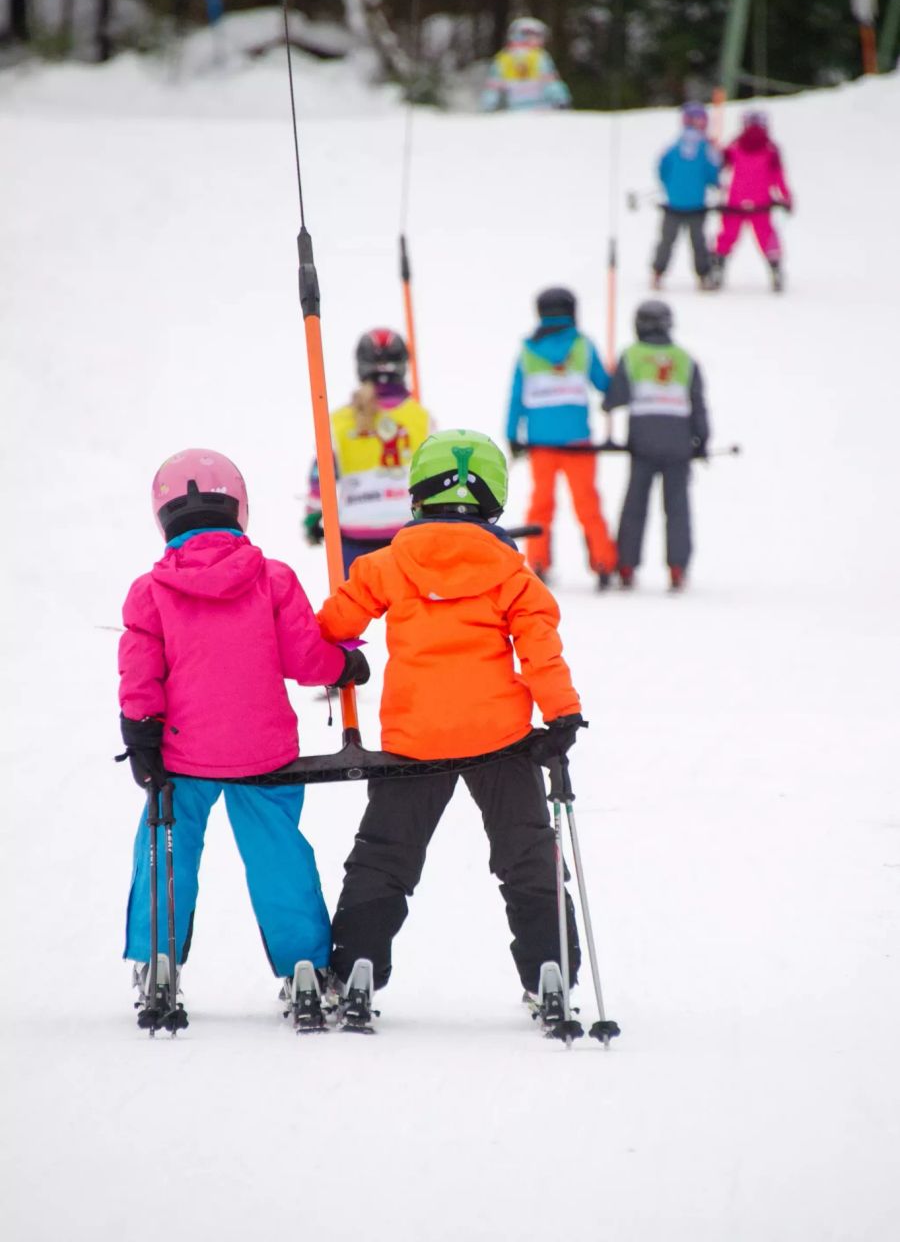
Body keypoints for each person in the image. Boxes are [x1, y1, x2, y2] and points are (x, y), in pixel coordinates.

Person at [315, 430, 585, 1027]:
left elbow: (333, 624)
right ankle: (551, 967)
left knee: (385, 856)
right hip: (500, 739)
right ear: (494, 499)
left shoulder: (387, 564)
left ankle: (357, 960)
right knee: (526, 855)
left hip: (416, 741)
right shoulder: (513, 574)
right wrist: (561, 715)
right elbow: (540, 649)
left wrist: (342, 651)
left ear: (417, 493)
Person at [117, 448, 369, 1019]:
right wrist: (344, 666)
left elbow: (139, 675)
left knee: (165, 848)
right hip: (263, 751)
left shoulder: (149, 591)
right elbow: (306, 658)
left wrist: (141, 734)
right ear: (239, 510)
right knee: (278, 853)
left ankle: (157, 958)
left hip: (182, 752)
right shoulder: (273, 578)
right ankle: (305, 965)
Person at [506, 286, 617, 587]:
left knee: (541, 504)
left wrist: (512, 435)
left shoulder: (528, 351)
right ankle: (604, 561)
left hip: (541, 443)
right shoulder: (583, 346)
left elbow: (516, 397)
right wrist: (614, 383)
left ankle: (538, 561)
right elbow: (605, 386)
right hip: (578, 442)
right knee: (588, 504)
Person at [602, 302, 710, 592]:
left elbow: (615, 398)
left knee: (635, 505)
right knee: (677, 507)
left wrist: (608, 400)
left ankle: (626, 564)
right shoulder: (684, 359)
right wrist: (702, 441)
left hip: (643, 443)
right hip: (679, 443)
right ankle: (677, 566)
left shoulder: (632, 355)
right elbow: (698, 404)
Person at [304, 328, 430, 575]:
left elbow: (321, 473)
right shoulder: (419, 417)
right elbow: (433, 472)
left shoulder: (340, 420)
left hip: (356, 533)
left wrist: (313, 515)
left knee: (353, 605)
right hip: (407, 530)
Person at [710, 109, 794, 292]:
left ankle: (717, 268)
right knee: (767, 238)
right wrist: (786, 198)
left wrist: (715, 154)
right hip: (760, 203)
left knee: (726, 237)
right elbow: (778, 177)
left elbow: (718, 169)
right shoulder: (771, 149)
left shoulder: (734, 146)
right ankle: (776, 270)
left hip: (735, 202)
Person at [651, 102, 721, 290]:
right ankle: (704, 275)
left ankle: (658, 273)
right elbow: (713, 175)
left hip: (673, 204)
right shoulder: (706, 148)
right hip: (696, 206)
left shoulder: (674, 145)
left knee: (666, 241)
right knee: (699, 243)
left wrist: (669, 187)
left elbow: (662, 169)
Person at [481, 17, 572, 112]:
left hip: (514, 109)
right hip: (542, 108)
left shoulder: (503, 58)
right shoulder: (539, 56)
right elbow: (551, 83)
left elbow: (492, 88)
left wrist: (488, 106)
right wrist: (562, 100)